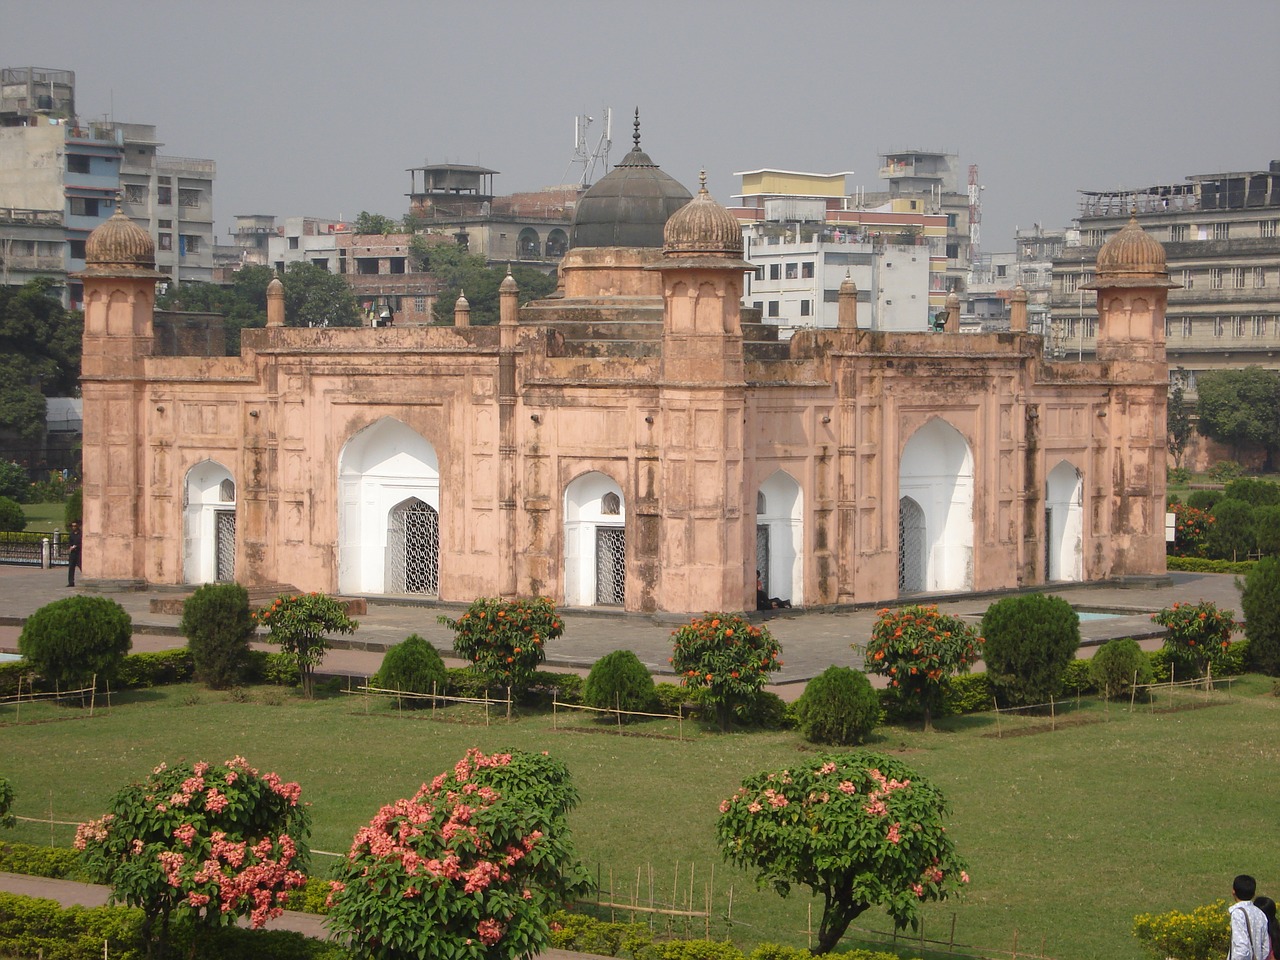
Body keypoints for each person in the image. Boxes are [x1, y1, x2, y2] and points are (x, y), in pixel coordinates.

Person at [1230, 875, 1271, 960]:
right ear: (1253, 894)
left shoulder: (1238, 913)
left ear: (1233, 891)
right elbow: (1266, 948)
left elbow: (1241, 947)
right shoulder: (1260, 913)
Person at [66, 522, 81, 588]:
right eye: (72, 526)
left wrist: (76, 546)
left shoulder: (81, 534)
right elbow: (70, 542)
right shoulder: (71, 534)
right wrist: (70, 547)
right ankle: (71, 582)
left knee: (81, 566)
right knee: (71, 567)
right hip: (73, 553)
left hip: (79, 553)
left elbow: (81, 542)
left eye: (75, 526)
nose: (73, 527)